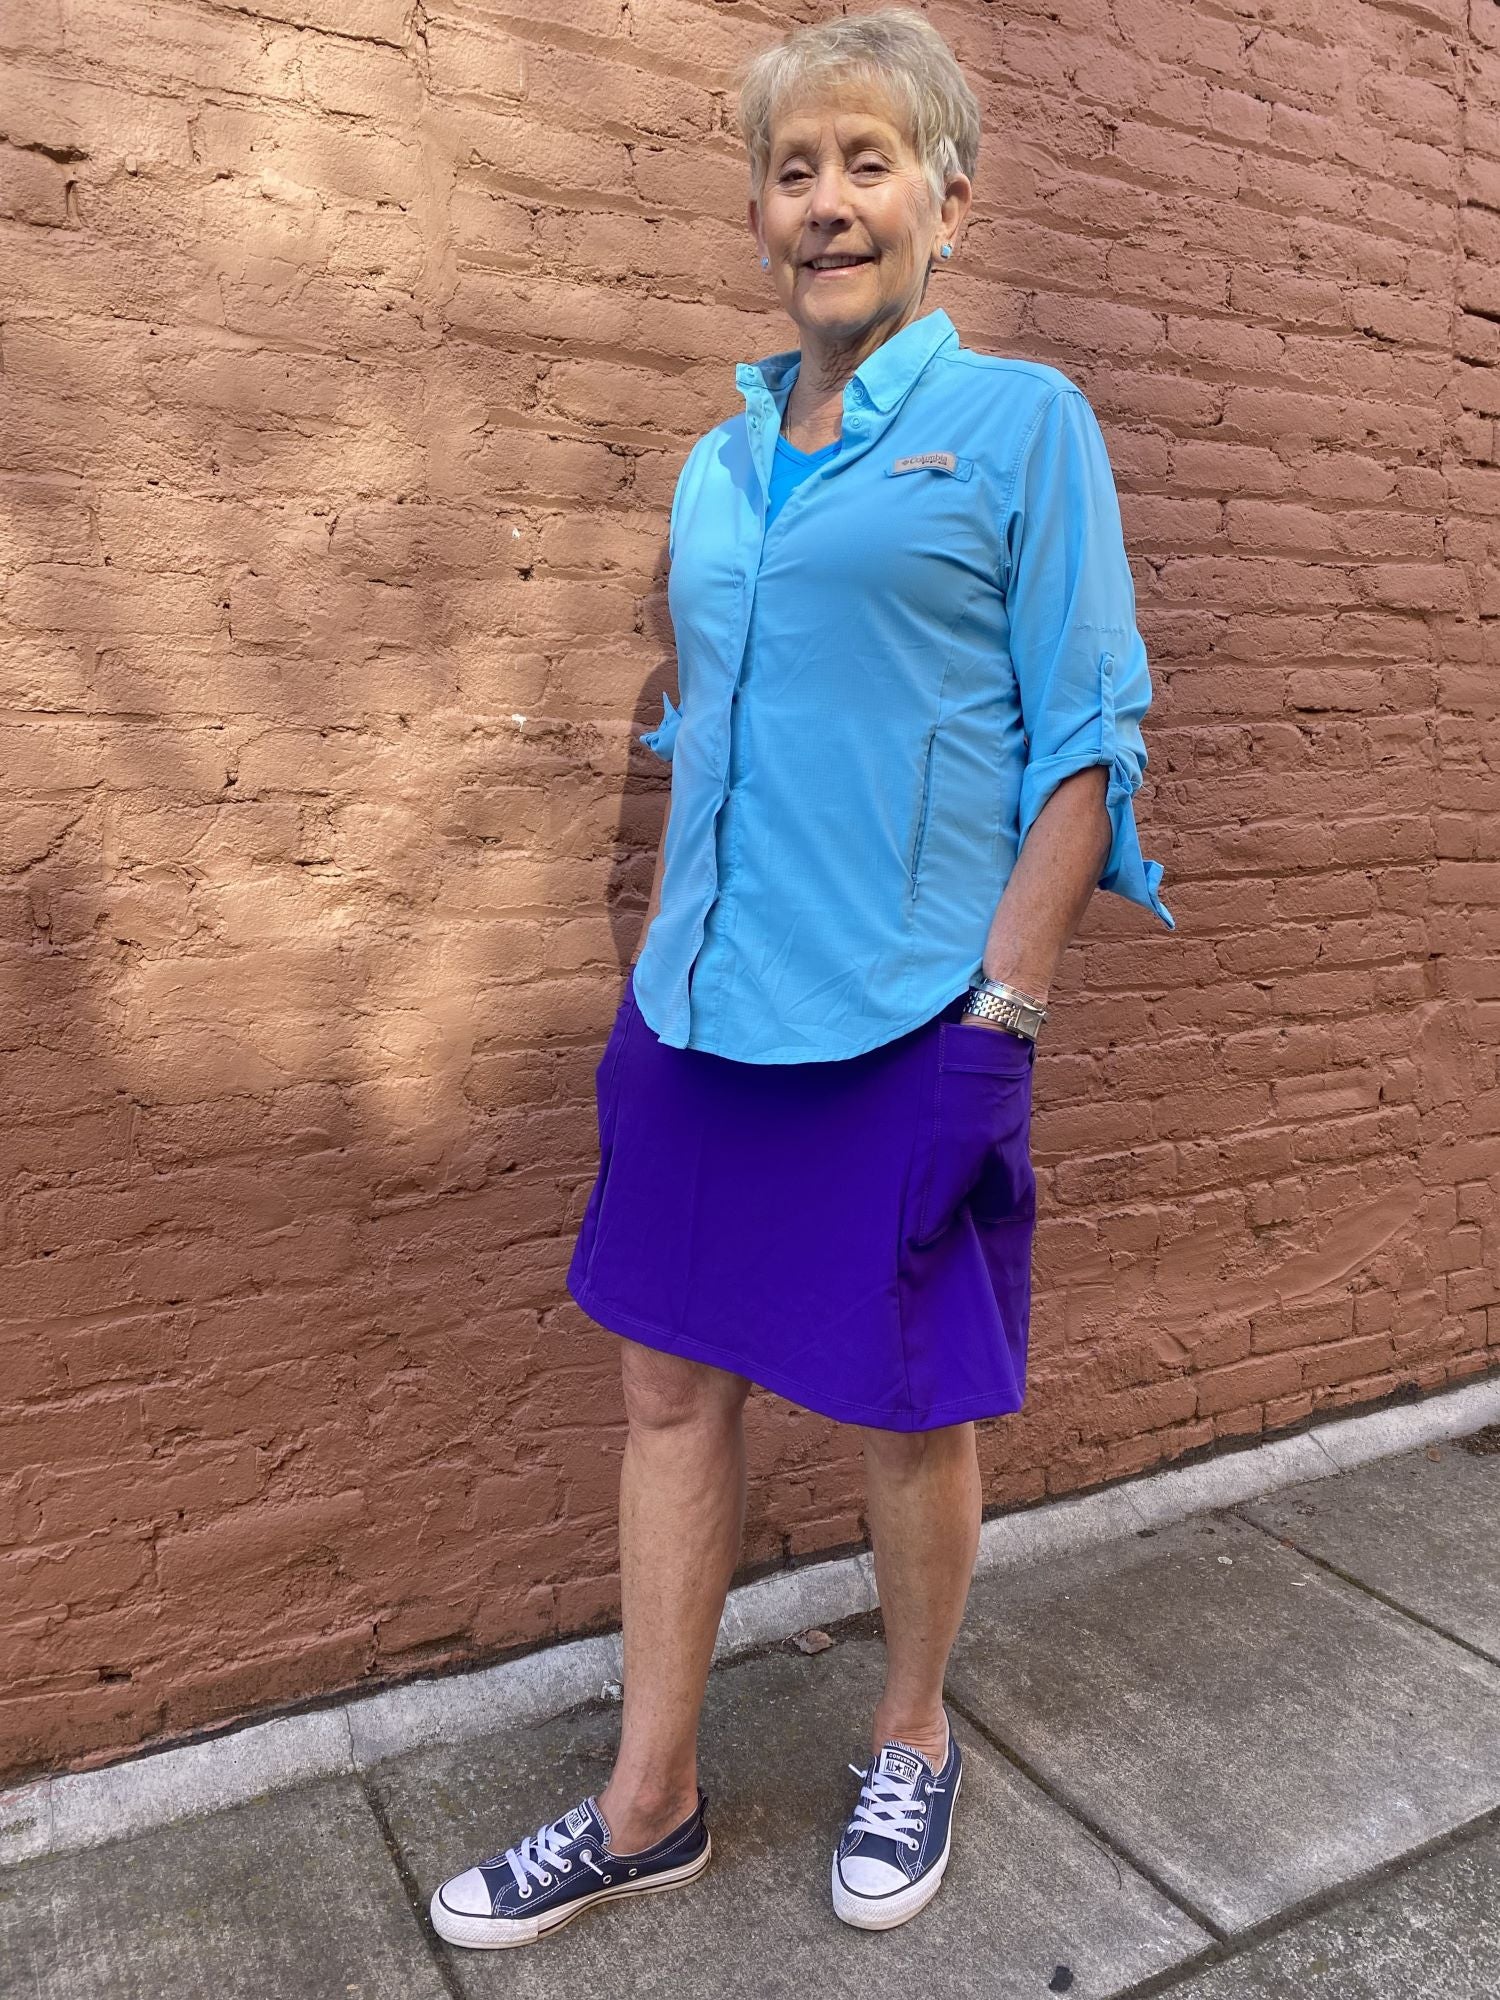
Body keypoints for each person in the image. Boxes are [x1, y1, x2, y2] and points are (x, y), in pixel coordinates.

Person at [429, 4, 1174, 1951]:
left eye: (865, 160)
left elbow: (1090, 738)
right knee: (669, 1390)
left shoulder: (1021, 427)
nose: (826, 200)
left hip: (908, 1008)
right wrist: (647, 963)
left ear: (945, 190)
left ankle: (912, 1730)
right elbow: (722, 718)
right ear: (758, 212)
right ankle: (647, 1796)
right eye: (792, 168)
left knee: (906, 1399)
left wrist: (999, 1017)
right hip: (697, 1009)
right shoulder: (719, 462)